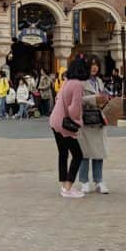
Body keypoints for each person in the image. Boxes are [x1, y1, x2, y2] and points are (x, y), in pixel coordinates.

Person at [49, 56, 87, 199]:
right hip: (65, 124)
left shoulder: (66, 81)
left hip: (55, 120)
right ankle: (68, 187)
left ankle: (64, 184)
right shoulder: (77, 84)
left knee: (63, 153)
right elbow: (74, 109)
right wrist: (79, 122)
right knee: (78, 155)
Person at [77, 56, 110, 193]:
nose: (94, 67)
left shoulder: (99, 81)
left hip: (98, 120)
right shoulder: (81, 82)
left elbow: (101, 99)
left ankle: (99, 181)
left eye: (96, 64)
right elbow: (77, 100)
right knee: (85, 153)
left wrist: (104, 99)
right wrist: (94, 98)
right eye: (92, 64)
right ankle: (84, 181)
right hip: (85, 120)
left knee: (99, 153)